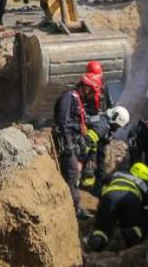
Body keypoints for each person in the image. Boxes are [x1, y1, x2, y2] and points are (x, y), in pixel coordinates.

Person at [53, 73, 100, 218]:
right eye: (92, 92)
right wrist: (68, 146)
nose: (92, 96)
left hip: (73, 141)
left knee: (76, 171)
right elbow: (64, 123)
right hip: (67, 143)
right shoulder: (69, 97)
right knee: (73, 173)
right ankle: (75, 210)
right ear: (86, 88)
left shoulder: (77, 99)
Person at [84, 162, 148, 252]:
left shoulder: (118, 173)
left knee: (101, 230)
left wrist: (102, 205)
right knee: (138, 228)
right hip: (130, 199)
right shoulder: (145, 185)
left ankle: (92, 248)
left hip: (109, 197)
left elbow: (104, 182)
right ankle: (122, 236)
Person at [80, 105, 131, 195]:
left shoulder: (104, 121)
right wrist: (81, 160)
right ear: (114, 118)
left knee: (100, 171)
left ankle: (96, 191)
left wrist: (102, 172)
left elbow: (100, 148)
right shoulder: (102, 127)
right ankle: (84, 192)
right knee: (89, 173)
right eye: (117, 126)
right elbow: (87, 142)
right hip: (86, 149)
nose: (117, 129)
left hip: (94, 149)